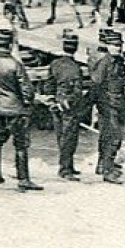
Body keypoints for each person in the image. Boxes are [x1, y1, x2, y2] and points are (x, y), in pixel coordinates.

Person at [0, 26, 42, 190]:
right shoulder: (15, 64)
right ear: (11, 45)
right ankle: (23, 179)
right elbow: (27, 91)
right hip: (15, 109)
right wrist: (27, 104)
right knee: (21, 144)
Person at [47, 30, 87, 181]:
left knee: (61, 137)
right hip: (69, 107)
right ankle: (65, 169)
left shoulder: (55, 64)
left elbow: (49, 85)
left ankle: (68, 166)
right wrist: (68, 103)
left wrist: (53, 101)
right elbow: (77, 91)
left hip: (56, 104)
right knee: (70, 138)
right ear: (75, 48)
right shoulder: (75, 68)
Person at [90, 30, 125, 184]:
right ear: (108, 46)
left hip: (117, 103)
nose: (117, 48)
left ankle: (102, 164)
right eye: (114, 45)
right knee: (114, 136)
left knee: (107, 135)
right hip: (108, 104)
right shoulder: (105, 63)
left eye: (119, 45)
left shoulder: (119, 62)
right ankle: (108, 170)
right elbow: (97, 82)